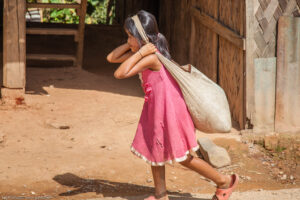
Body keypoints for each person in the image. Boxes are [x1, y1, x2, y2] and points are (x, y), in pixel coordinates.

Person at [106, 10, 238, 200]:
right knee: (155, 150)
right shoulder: (145, 55)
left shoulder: (151, 58)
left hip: (170, 112)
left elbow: (119, 73)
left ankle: (224, 182)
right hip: (157, 110)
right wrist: (133, 43)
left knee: (183, 157)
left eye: (129, 36)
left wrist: (141, 49)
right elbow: (112, 58)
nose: (127, 41)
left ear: (142, 38)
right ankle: (160, 195)